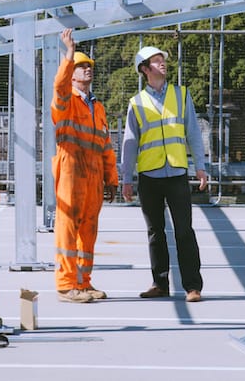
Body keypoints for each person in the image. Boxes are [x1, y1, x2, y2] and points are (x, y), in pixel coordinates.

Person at [121, 46, 208, 303]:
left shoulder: (181, 95)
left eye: (163, 61)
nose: (163, 65)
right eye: (156, 62)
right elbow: (130, 142)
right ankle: (159, 283)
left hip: (177, 173)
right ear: (144, 70)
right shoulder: (136, 103)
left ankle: (192, 287)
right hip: (149, 175)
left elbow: (193, 132)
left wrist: (200, 167)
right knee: (155, 232)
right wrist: (126, 178)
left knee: (184, 231)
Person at [51, 28, 119, 303]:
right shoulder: (66, 101)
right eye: (81, 67)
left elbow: (105, 146)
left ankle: (84, 282)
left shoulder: (97, 107)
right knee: (68, 227)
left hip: (92, 176)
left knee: (88, 229)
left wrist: (111, 179)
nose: (86, 70)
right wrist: (69, 54)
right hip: (70, 171)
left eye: (88, 66)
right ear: (72, 73)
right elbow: (59, 86)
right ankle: (67, 285)